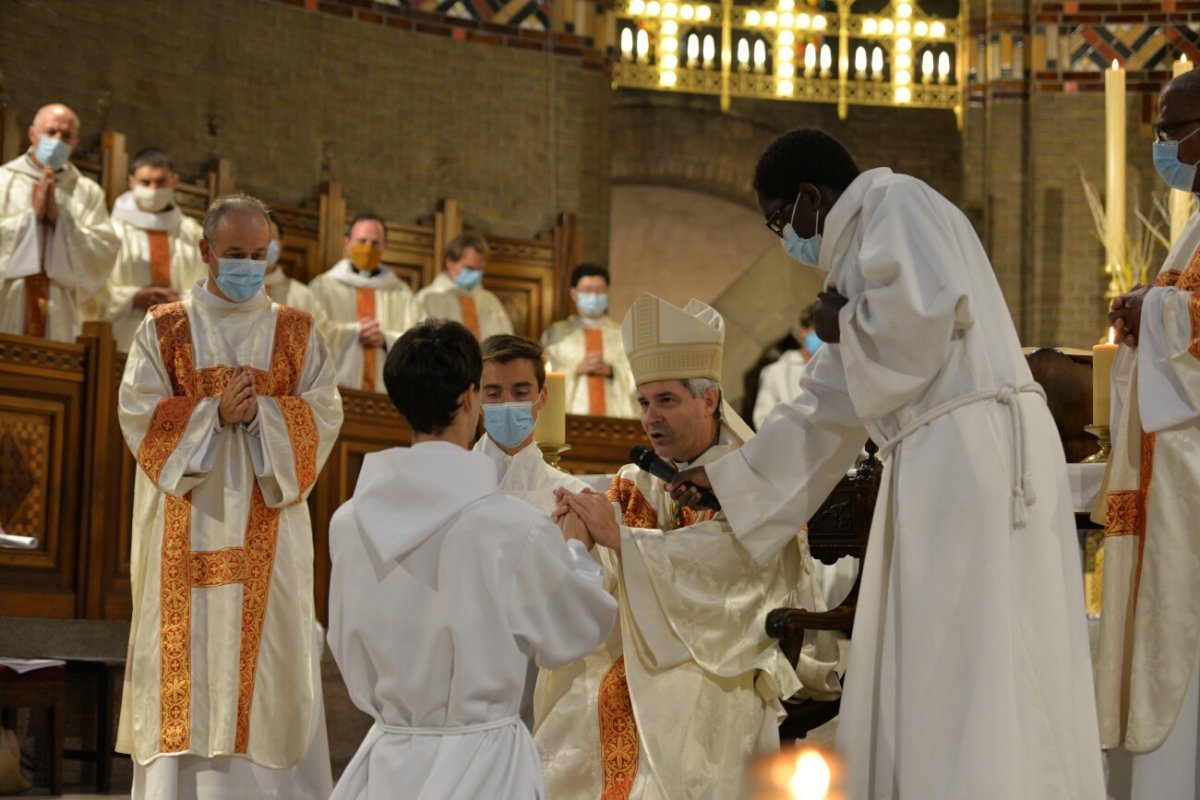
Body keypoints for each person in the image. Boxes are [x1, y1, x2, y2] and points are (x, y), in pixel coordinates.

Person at [667, 129, 1105, 799]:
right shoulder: (857, 259)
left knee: (974, 653)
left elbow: (917, 330)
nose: (785, 241)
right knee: (942, 656)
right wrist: (730, 479)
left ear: (812, 198)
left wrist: (842, 321)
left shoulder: (894, 204)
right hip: (940, 458)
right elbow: (824, 408)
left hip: (970, 455)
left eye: (780, 221)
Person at [538, 292, 840, 800]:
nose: (651, 418)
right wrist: (582, 536)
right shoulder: (636, 477)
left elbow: (742, 582)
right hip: (639, 647)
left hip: (725, 655)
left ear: (709, 399)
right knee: (579, 692)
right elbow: (607, 578)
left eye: (667, 401)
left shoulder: (753, 478)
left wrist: (621, 540)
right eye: (644, 402)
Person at [326, 319, 616, 800]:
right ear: (470, 398)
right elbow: (573, 631)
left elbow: (341, 641)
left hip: (388, 756)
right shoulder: (511, 526)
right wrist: (574, 552)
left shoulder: (347, 521)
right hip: (485, 762)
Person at [116, 193, 343, 799]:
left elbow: (324, 414)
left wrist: (264, 416)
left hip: (270, 528)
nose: (248, 265)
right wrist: (212, 414)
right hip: (184, 524)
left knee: (271, 667)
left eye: (258, 254)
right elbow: (136, 414)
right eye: (235, 254)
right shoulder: (163, 327)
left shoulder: (297, 331)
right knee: (182, 670)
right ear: (205, 250)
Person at [1099, 68, 1200, 800]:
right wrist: (1147, 305)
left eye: (1172, 129)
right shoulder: (1194, 225)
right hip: (1169, 473)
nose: (1163, 146)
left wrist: (1149, 305)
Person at [473, 333, 592, 728]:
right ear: (474, 398)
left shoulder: (572, 495)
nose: (508, 405)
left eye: (520, 391)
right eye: (494, 393)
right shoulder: (453, 484)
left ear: (542, 398)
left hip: (542, 670)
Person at [0, 103, 117, 341]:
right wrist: (29, 218)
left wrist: (60, 222)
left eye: (66, 136)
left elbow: (104, 250)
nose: (57, 140)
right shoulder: (3, 181)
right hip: (8, 302)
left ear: (75, 143)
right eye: (50, 132)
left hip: (62, 309)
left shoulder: (87, 192)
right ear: (32, 133)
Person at [97, 147, 207, 351]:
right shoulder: (111, 232)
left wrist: (182, 300)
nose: (153, 189)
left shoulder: (192, 234)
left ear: (174, 181)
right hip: (124, 342)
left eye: (161, 182)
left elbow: (209, 287)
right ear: (131, 182)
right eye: (145, 183)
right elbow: (93, 290)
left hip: (181, 342)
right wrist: (133, 298)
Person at [308, 213, 417, 392]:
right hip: (334, 393)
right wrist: (354, 332)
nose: (368, 249)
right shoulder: (323, 287)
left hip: (387, 395)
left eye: (375, 243)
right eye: (362, 241)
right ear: (347, 243)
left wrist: (385, 340)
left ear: (385, 246)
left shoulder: (401, 293)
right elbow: (311, 336)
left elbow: (417, 341)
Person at [541, 262, 639, 418]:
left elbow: (639, 377)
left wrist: (612, 371)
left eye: (599, 290)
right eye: (587, 290)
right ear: (574, 294)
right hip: (570, 418)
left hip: (617, 419)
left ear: (607, 292)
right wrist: (576, 369)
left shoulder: (624, 334)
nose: (594, 296)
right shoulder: (557, 334)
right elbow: (544, 377)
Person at [414, 232, 514, 339]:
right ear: (449, 262)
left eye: (480, 269)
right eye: (469, 268)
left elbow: (506, 343)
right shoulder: (427, 299)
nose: (475, 274)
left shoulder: (490, 301)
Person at [751, 304, 821, 429]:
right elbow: (763, 419)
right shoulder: (777, 371)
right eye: (818, 331)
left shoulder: (833, 373)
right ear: (804, 331)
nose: (823, 340)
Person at [262, 212, 325, 326]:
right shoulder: (230, 291)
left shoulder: (303, 296)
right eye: (258, 238)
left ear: (281, 244)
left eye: (271, 238)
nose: (264, 245)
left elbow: (319, 338)